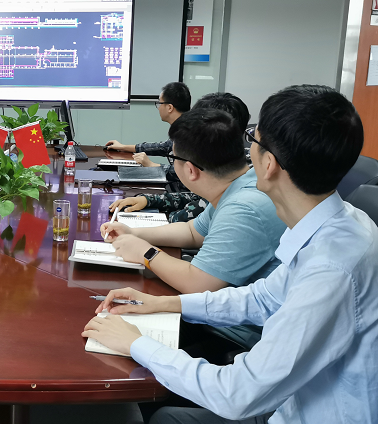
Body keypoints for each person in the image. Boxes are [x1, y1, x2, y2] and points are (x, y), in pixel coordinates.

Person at [84, 85, 378, 424]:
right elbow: (262, 297)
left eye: (252, 138)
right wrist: (165, 305)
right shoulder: (336, 223)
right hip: (292, 423)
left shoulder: (333, 268)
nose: (244, 149)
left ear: (268, 163)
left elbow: (237, 392)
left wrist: (137, 344)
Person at [101, 108, 285, 299]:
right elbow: (192, 232)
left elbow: (198, 283)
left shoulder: (242, 209)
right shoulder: (243, 183)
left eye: (173, 158)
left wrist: (144, 253)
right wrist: (133, 233)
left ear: (191, 170)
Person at [111, 92, 251, 223]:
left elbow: (189, 218)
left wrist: (160, 217)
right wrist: (149, 200)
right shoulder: (236, 165)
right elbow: (197, 198)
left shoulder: (238, 188)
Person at [104, 81, 191, 165]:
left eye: (160, 103)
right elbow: (163, 147)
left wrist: (151, 164)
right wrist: (123, 147)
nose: (159, 108)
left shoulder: (187, 135)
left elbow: (183, 172)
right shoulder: (182, 128)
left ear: (169, 108)